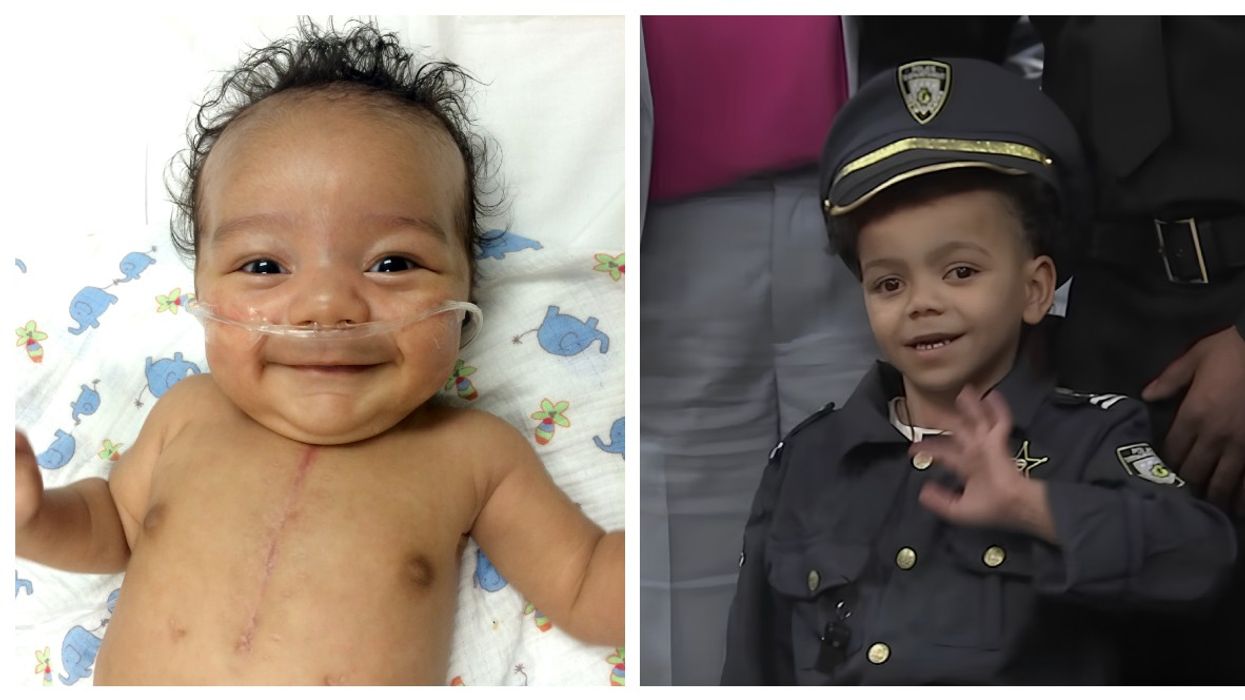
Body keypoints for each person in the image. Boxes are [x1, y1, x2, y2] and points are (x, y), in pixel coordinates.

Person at [14, 20, 622, 685]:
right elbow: (109, 527)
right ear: (201, 296)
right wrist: (34, 518)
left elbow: (585, 581)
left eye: (392, 263)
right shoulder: (187, 415)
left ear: (467, 293)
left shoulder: (473, 453)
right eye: (264, 266)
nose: (328, 306)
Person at [721, 57, 1236, 684]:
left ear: (1035, 289)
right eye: (889, 283)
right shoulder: (807, 461)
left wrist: (1031, 506)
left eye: (960, 271)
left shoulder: (1092, 438)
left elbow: (1201, 562)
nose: (922, 302)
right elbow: (754, 662)